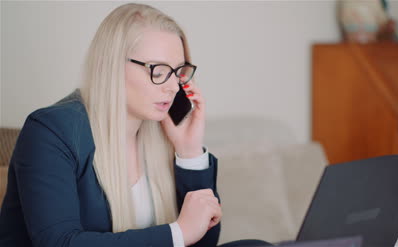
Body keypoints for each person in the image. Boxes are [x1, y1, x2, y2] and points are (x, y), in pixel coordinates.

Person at [0, 3, 272, 247]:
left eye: (178, 71)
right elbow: (59, 242)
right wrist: (177, 233)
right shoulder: (51, 131)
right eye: (158, 69)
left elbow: (203, 242)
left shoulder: (159, 129)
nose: (172, 86)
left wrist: (189, 153)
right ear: (112, 65)